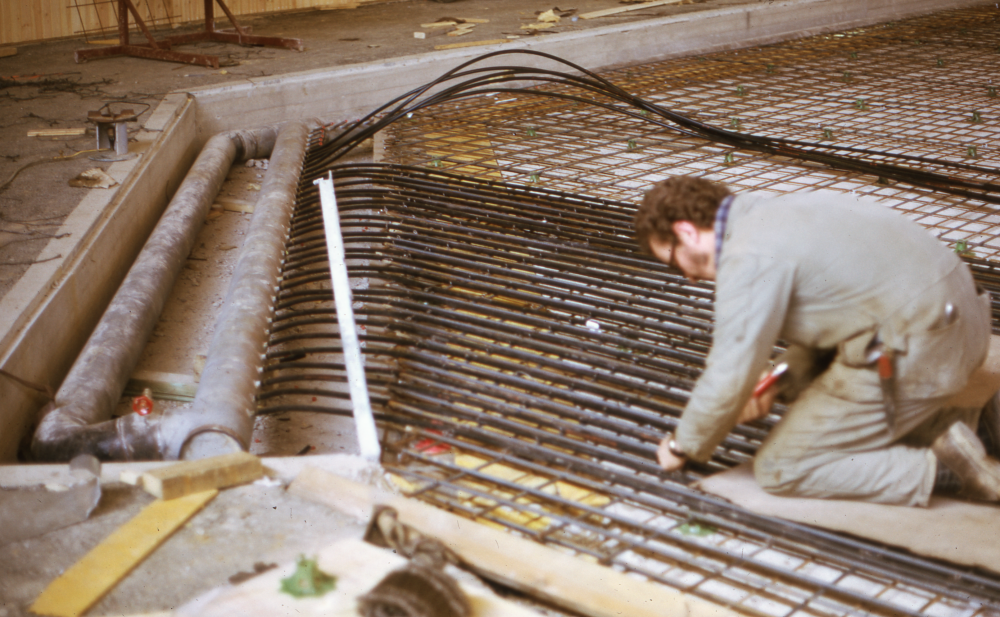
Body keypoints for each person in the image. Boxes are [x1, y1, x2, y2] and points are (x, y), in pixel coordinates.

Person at [634, 175, 1000, 506]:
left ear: (685, 232)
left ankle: (946, 469)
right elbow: (838, 313)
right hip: (961, 321)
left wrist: (682, 444)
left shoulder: (747, 255)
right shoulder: (778, 208)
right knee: (810, 386)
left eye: (673, 262)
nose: (687, 278)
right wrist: (777, 382)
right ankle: (984, 426)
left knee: (784, 466)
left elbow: (730, 371)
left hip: (920, 346)